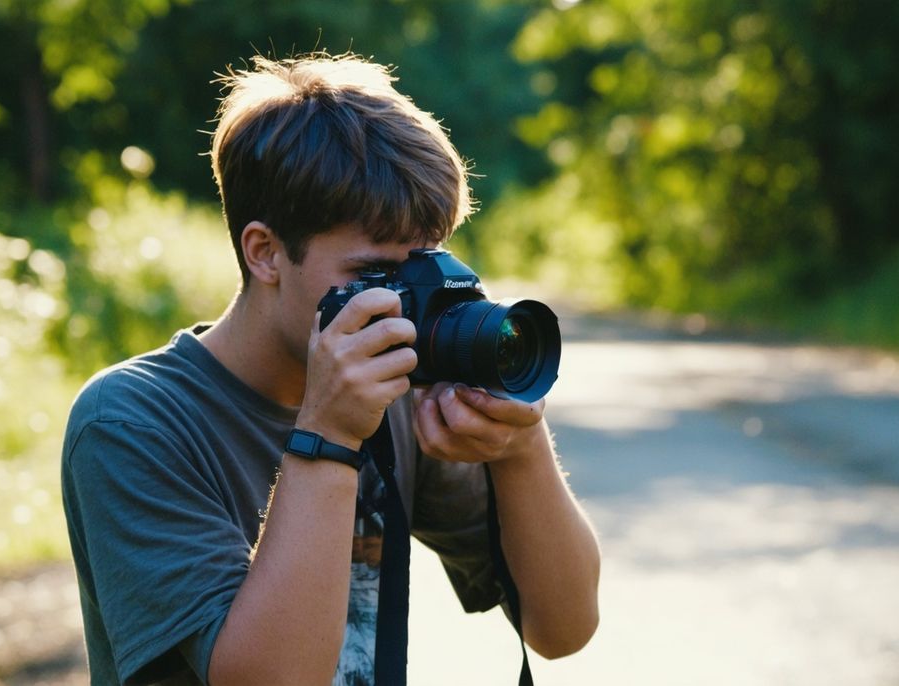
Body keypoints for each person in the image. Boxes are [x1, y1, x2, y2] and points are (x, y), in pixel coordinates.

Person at [61, 52, 600, 685]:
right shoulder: (133, 421)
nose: (409, 299)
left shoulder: (396, 392)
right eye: (376, 274)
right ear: (264, 253)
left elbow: (563, 627)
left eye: (427, 262)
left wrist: (522, 447)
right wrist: (330, 433)